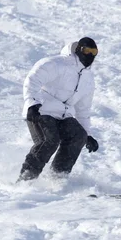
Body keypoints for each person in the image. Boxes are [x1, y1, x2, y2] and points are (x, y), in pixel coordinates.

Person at [17, 37, 100, 182]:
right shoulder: (58, 63)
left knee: (78, 135)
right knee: (49, 140)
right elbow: (34, 79)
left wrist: (87, 134)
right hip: (41, 111)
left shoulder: (88, 79)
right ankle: (25, 180)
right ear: (79, 49)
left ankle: (56, 179)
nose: (90, 55)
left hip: (63, 115)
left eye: (94, 52)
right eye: (87, 51)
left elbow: (83, 110)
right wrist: (32, 104)